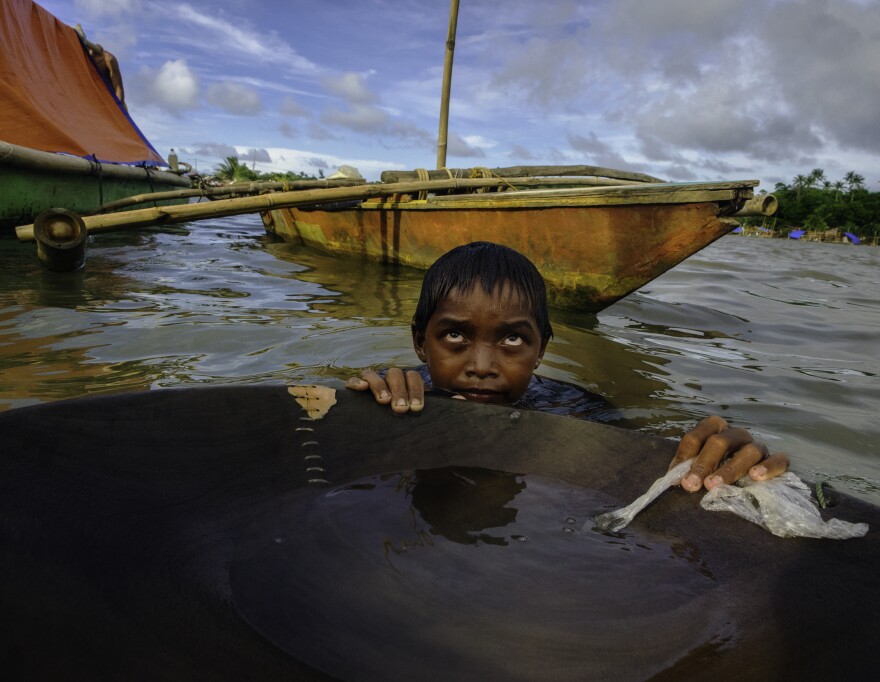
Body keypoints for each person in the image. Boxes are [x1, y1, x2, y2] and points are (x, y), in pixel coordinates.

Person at [347, 241, 791, 492]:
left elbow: (638, 467)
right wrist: (364, 409)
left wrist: (722, 461)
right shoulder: (406, 393)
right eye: (455, 336)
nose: (481, 366)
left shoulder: (578, 412)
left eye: (513, 339)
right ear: (419, 343)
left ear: (541, 351)